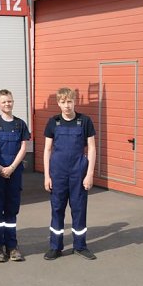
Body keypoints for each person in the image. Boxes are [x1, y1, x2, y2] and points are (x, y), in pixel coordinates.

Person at [43, 87, 97, 261]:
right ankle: (55, 247)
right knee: (57, 209)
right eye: (63, 102)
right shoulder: (53, 122)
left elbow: (93, 148)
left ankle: (80, 246)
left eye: (69, 101)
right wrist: (47, 176)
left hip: (79, 173)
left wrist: (89, 174)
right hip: (58, 173)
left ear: (75, 101)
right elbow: (47, 149)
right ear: (58, 103)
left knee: (79, 209)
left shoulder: (85, 121)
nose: (66, 106)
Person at [0, 89, 31, 263]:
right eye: (3, 102)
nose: (7, 104)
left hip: (14, 172)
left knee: (11, 210)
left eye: (9, 101)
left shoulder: (20, 124)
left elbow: (23, 148)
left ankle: (12, 246)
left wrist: (11, 167)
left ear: (13, 102)